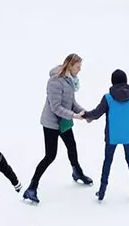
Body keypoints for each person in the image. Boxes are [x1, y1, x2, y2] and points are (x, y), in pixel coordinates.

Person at [25, 55, 93, 202]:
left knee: (72, 147)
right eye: (78, 67)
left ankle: (77, 173)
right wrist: (74, 116)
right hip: (51, 124)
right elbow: (56, 107)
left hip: (64, 122)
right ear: (70, 65)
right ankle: (31, 188)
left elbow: (71, 102)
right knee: (50, 156)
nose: (80, 70)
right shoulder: (55, 81)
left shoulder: (70, 80)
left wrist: (85, 113)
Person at [80, 69, 129, 201]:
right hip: (128, 136)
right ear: (126, 81)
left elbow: (97, 114)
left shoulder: (108, 98)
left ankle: (102, 192)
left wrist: (86, 115)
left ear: (112, 82)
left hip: (112, 136)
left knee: (107, 161)